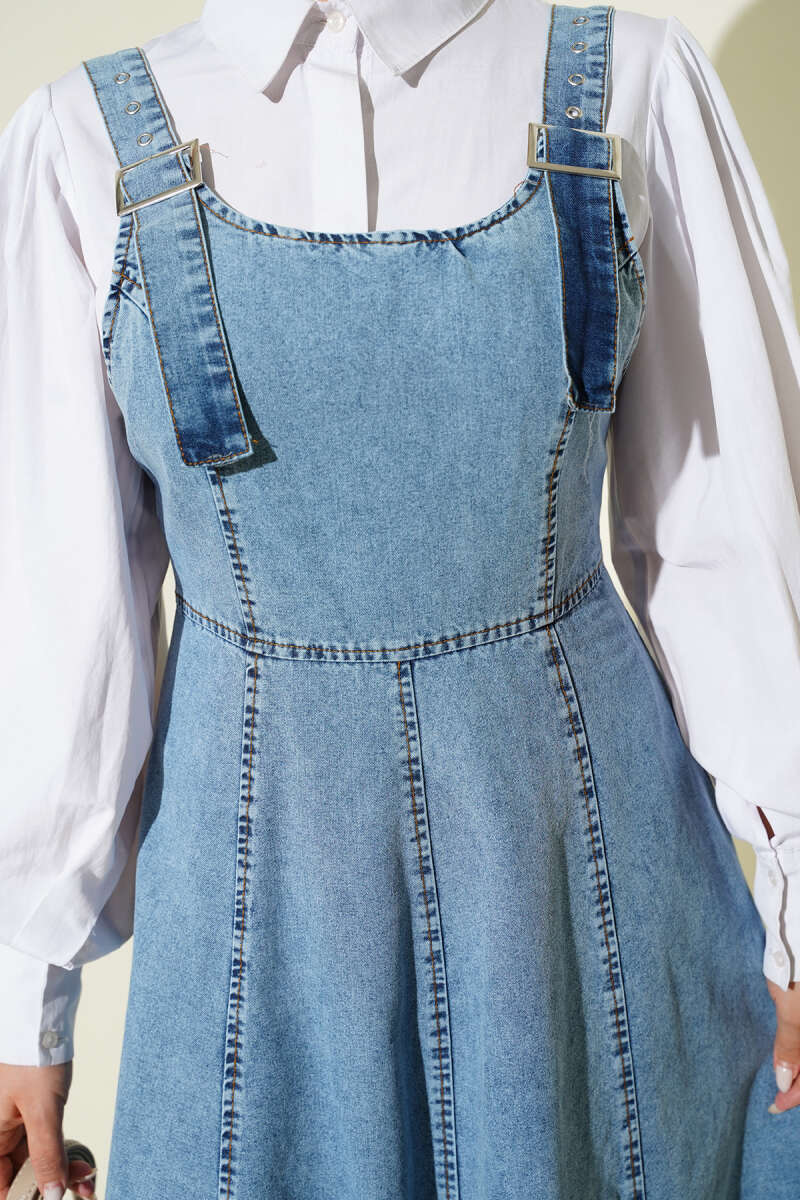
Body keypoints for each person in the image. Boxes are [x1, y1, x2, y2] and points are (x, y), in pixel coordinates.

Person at [2, 1, 800, 1197]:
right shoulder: (79, 141)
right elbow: (60, 609)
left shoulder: (635, 85)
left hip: (576, 890)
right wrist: (24, 995)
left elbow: (730, 527)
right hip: (258, 911)